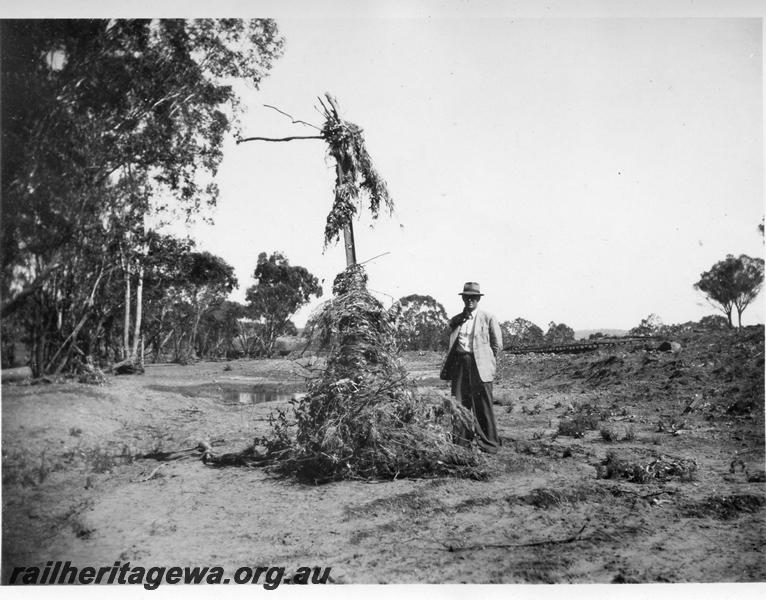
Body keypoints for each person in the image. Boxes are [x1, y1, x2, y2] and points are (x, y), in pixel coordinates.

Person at [440, 282, 503, 453]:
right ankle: (461, 443)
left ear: (478, 299)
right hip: (460, 364)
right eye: (467, 297)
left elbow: (497, 345)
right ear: (463, 298)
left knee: (483, 404)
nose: (470, 300)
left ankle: (489, 444)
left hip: (480, 366)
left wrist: (485, 360)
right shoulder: (456, 320)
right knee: (460, 404)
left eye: (473, 297)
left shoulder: (488, 318)